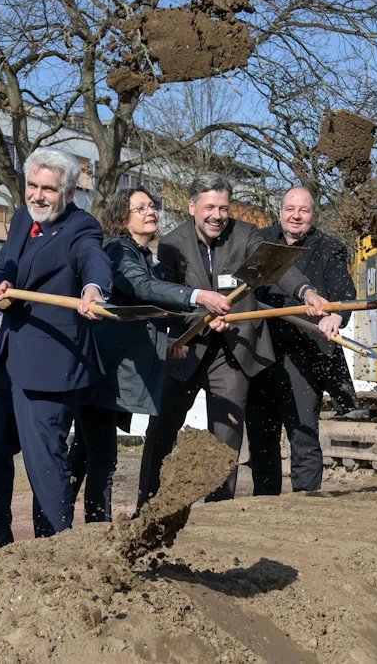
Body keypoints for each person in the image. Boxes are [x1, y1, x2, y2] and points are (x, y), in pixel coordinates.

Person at [137, 173, 330, 509]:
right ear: (192, 205)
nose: (217, 215)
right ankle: (145, 506)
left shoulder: (245, 236)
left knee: (225, 442)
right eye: (209, 207)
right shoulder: (170, 244)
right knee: (160, 432)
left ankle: (219, 511)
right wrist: (203, 317)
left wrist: (306, 291)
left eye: (223, 208)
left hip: (232, 355)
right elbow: (167, 297)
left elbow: (276, 267)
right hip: (184, 348)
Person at [68, 187, 231, 522]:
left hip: (115, 369)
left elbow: (145, 312)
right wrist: (199, 295)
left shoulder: (146, 259)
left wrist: (169, 342)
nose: (150, 212)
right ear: (122, 217)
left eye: (152, 206)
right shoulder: (118, 251)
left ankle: (57, 524)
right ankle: (94, 531)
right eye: (139, 208)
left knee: (84, 454)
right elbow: (140, 288)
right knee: (101, 458)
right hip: (104, 369)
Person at [0, 147, 112, 547]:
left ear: (68, 193)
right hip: (6, 359)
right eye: (32, 186)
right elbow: (3, 265)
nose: (37, 195)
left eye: (48, 189)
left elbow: (94, 262)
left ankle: (54, 547)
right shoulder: (22, 219)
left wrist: (94, 289)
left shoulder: (82, 227)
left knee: (45, 463)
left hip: (51, 365)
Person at [245, 186, 358, 494]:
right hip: (260, 353)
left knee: (303, 434)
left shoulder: (328, 248)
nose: (296, 216)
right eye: (289, 209)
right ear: (280, 212)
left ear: (313, 215)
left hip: (304, 356)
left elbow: (344, 295)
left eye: (303, 210)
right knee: (261, 436)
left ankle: (307, 504)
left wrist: (335, 317)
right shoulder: (260, 242)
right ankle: (264, 503)